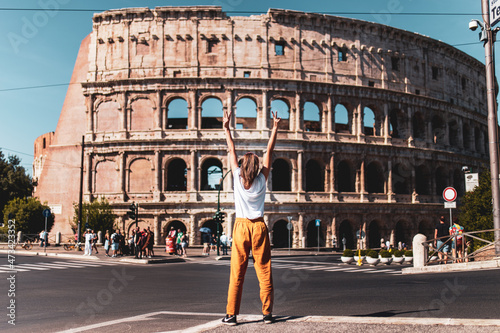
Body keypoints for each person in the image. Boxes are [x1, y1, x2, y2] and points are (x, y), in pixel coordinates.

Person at [221, 109, 280, 326]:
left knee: (237, 272)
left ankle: (231, 315)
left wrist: (227, 127)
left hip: (241, 226)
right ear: (257, 167)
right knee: (264, 271)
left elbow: (230, 148)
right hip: (259, 227)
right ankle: (267, 314)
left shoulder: (237, 176)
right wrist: (274, 127)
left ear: (243, 166)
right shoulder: (263, 178)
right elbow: (270, 149)